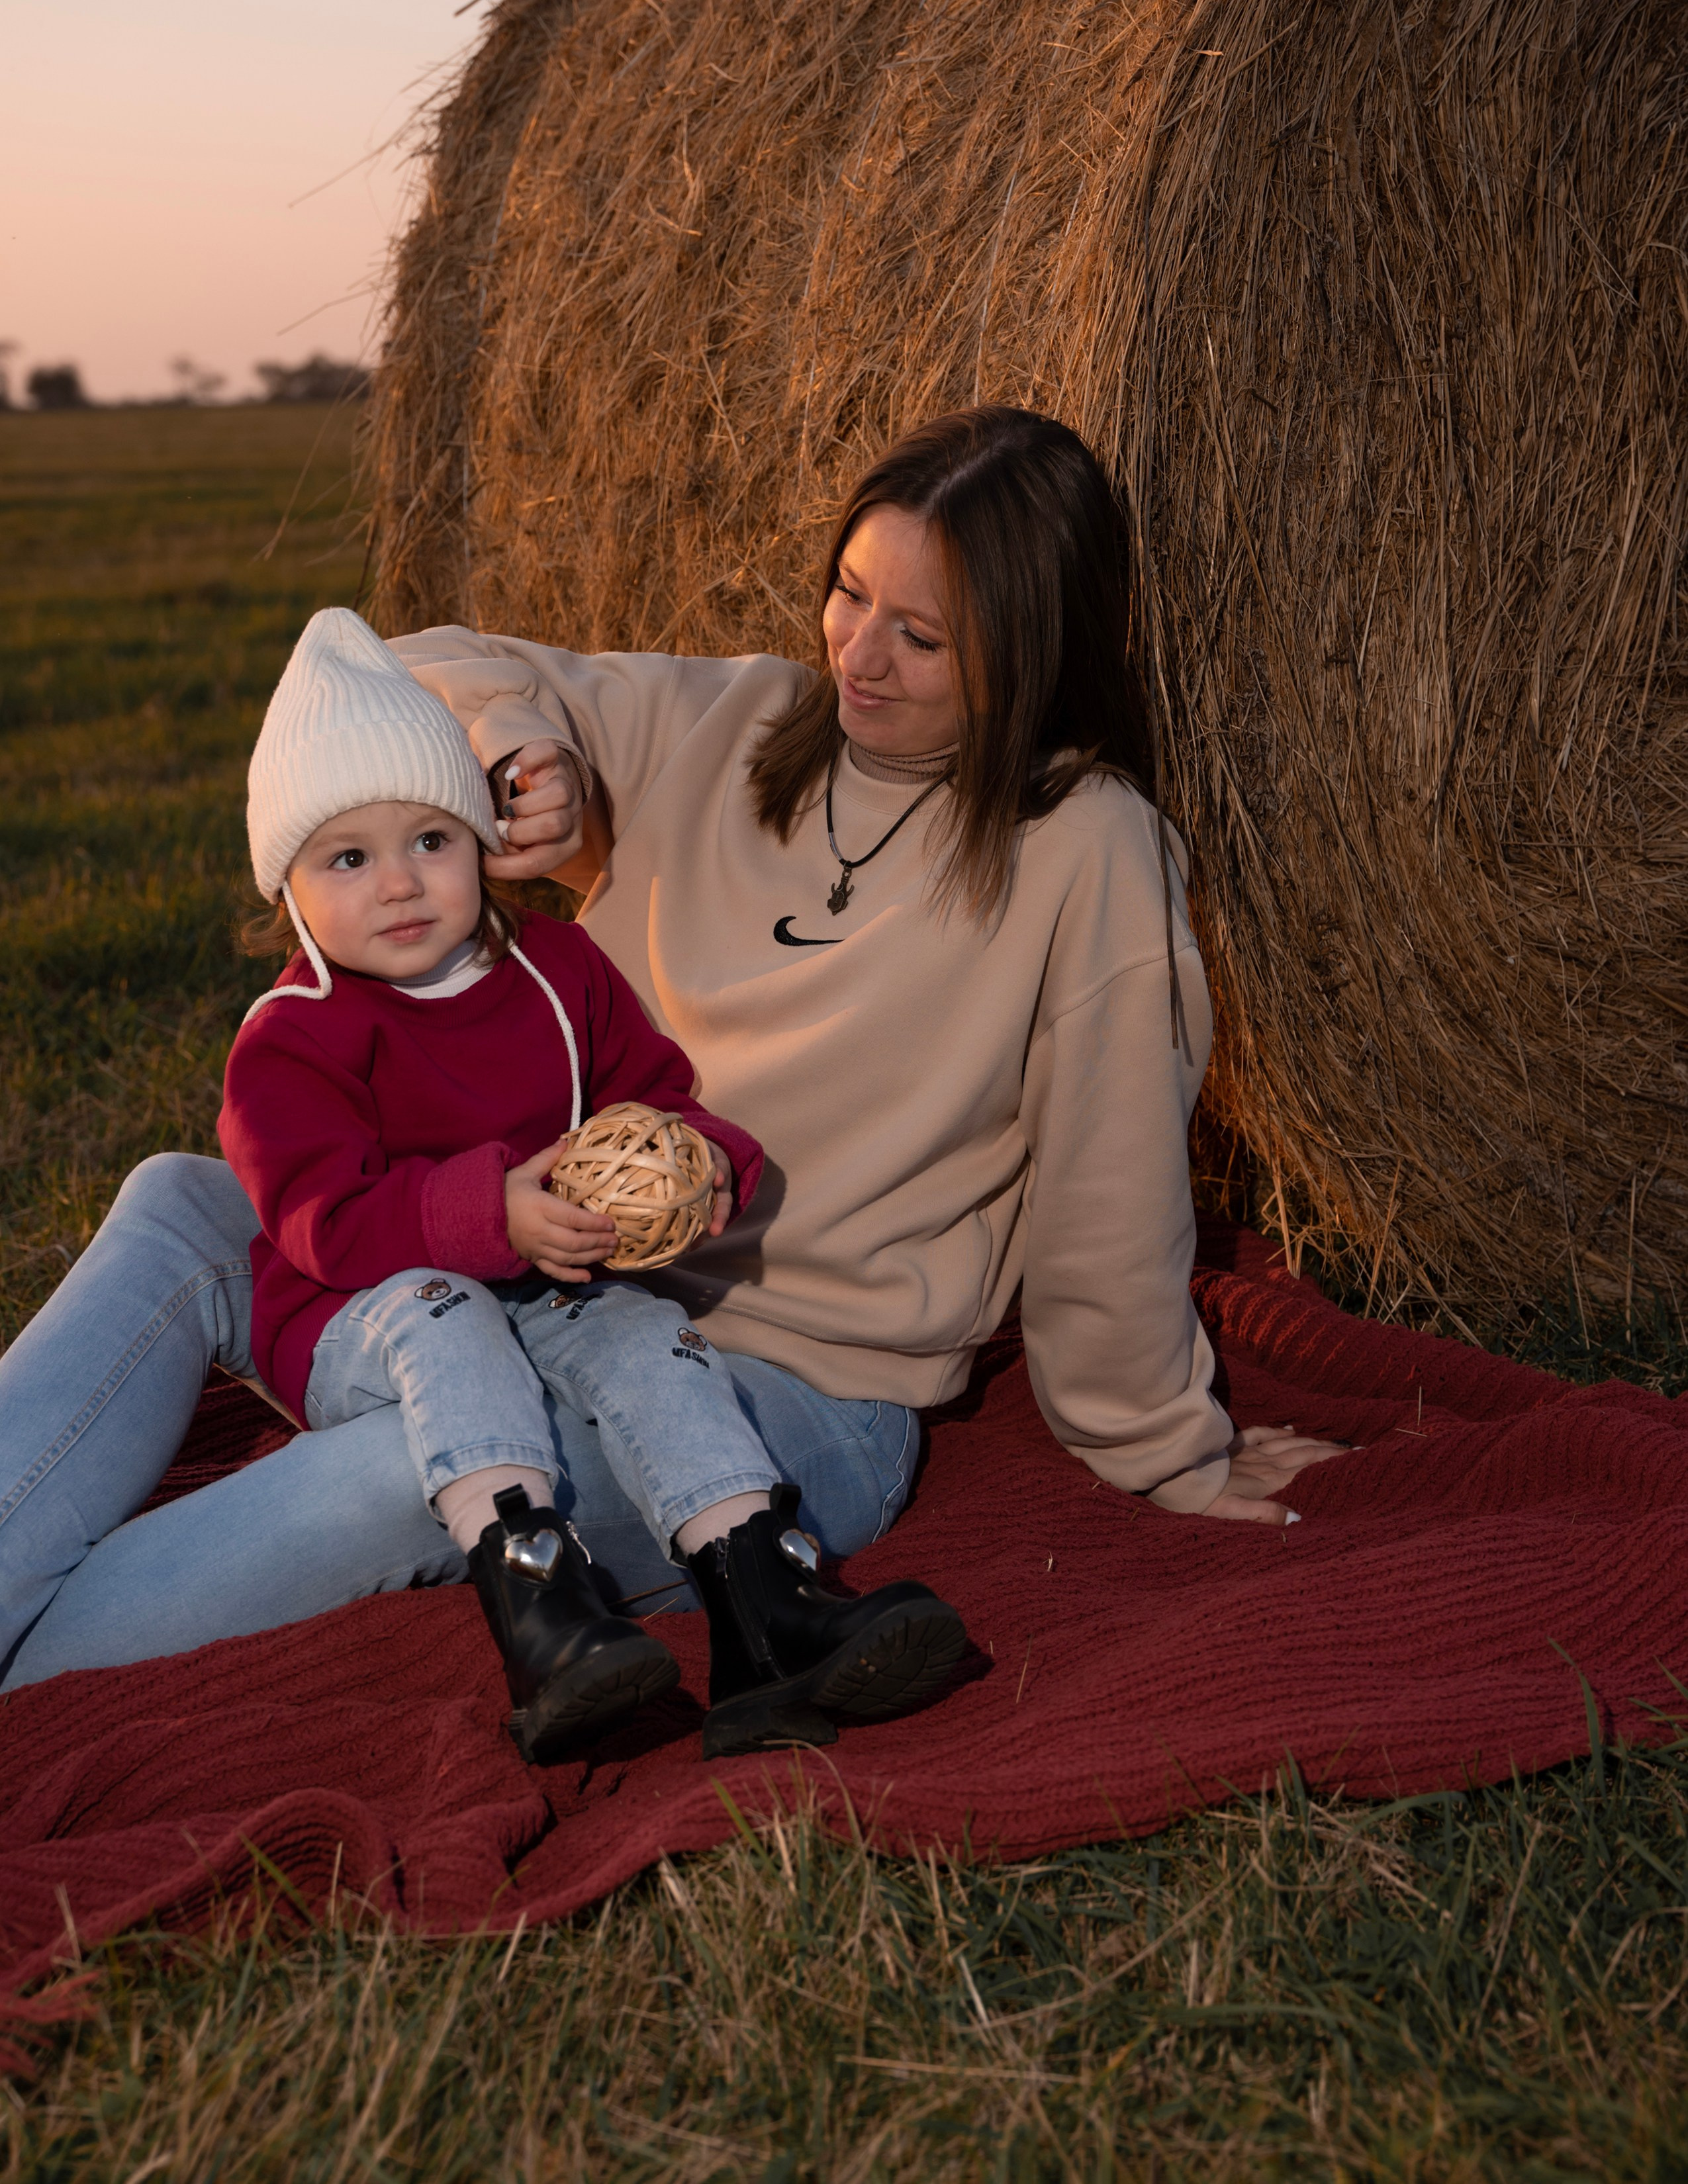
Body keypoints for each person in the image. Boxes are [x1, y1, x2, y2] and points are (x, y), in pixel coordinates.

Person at [0, 405, 1343, 1702]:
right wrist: (527, 747)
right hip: (528, 1271)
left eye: (922, 637)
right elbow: (383, 669)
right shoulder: (736, 726)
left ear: (1030, 658)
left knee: (414, 1466)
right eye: (851, 593)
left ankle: (37, 1669)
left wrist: (1161, 1443)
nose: (859, 656)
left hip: (785, 1389)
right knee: (184, 1201)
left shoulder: (1085, 847)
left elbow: (1113, 1177)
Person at [216, 605, 963, 1761]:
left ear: (481, 840)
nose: (401, 885)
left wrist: (705, 1157)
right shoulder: (291, 1038)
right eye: (347, 859)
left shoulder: (557, 970)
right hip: (361, 1321)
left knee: (643, 1333)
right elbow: (325, 1225)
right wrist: (488, 1215)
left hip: (548, 1281)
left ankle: (760, 1598)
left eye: (432, 839)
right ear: (290, 888)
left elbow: (653, 1090)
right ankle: (541, 1609)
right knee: (450, 1308)